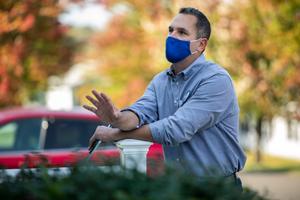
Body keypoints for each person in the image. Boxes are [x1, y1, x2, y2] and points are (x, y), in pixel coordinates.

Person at [83, 7, 246, 184]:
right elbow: (139, 114)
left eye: (182, 32)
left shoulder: (216, 80)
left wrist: (115, 134)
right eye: (171, 30)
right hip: (178, 187)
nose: (172, 36)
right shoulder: (160, 81)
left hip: (218, 188)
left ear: (201, 44)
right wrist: (116, 118)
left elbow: (176, 130)